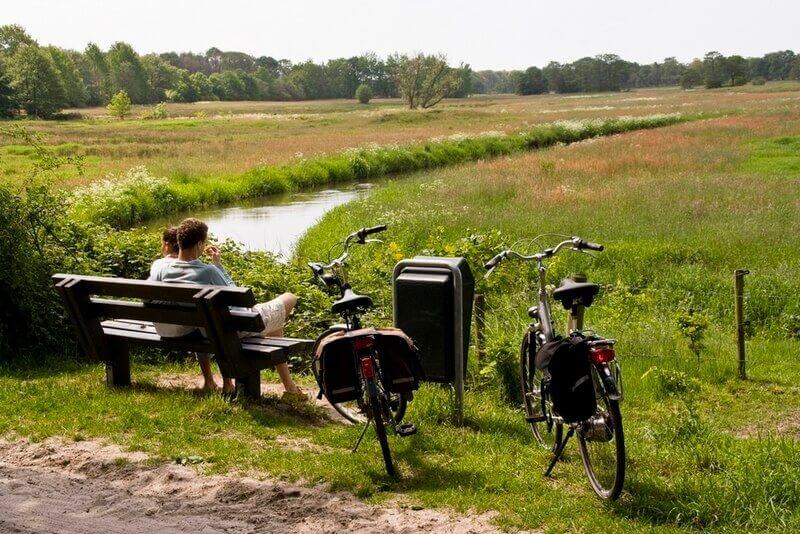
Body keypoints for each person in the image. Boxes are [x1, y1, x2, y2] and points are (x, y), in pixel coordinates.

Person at [149, 217, 304, 400]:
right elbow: (238, 297)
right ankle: (290, 388)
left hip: (199, 328)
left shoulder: (160, 267)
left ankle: (290, 387)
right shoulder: (208, 272)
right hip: (229, 331)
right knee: (289, 298)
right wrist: (218, 264)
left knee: (275, 323)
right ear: (200, 244)